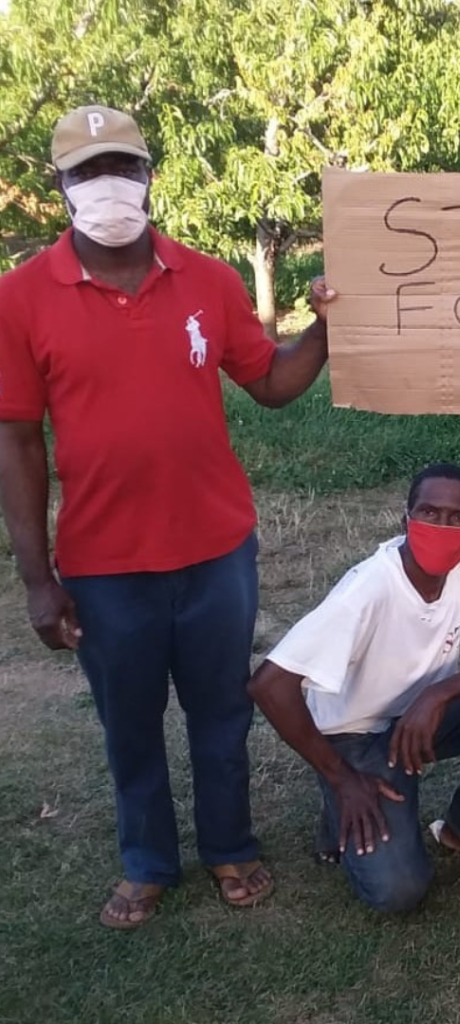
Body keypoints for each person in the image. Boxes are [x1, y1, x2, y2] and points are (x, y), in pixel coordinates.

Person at [0, 105, 337, 928]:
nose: (106, 185)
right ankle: (147, 862)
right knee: (129, 721)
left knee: (221, 709)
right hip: (103, 564)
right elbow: (16, 441)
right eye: (86, 172)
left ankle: (230, 847)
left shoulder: (209, 280)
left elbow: (271, 383)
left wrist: (326, 329)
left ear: (150, 175)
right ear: (62, 185)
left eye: (121, 166)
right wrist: (38, 577)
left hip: (217, 548)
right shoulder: (20, 298)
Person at [247, 463, 460, 913]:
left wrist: (439, 695)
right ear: (405, 518)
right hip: (356, 734)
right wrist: (343, 778)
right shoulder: (368, 589)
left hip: (425, 716)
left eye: (458, 517)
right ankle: (338, 800)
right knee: (399, 891)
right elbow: (270, 685)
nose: (443, 526)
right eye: (429, 512)